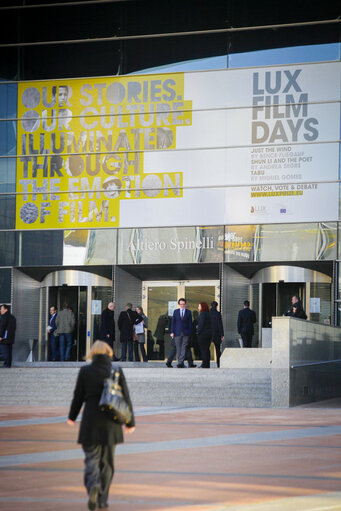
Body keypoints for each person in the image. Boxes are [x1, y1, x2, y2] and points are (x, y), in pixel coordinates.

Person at [67, 340, 135, 510]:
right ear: (108, 352)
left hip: (90, 422)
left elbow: (78, 397)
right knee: (107, 463)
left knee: (91, 459)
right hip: (111, 423)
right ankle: (103, 498)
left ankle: (93, 485)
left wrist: (72, 417)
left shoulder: (85, 371)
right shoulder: (116, 370)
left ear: (92, 353)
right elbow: (125, 397)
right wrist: (130, 422)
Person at [170, 298, 192, 368]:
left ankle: (180, 362)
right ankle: (181, 363)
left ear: (185, 304)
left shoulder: (188, 312)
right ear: (179, 304)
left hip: (186, 333)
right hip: (177, 332)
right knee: (179, 348)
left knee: (184, 347)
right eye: (181, 304)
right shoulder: (175, 312)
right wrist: (172, 331)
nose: (182, 305)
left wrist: (190, 332)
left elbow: (190, 323)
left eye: (183, 304)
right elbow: (173, 322)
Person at [210, 301, 224, 368]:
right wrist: (222, 334)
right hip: (217, 334)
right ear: (216, 306)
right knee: (218, 350)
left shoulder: (208, 313)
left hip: (209, 333)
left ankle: (206, 363)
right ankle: (219, 364)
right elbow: (220, 325)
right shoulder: (218, 314)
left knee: (206, 349)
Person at [197, 302, 212, 368]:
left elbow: (201, 324)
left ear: (202, 307)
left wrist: (197, 331)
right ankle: (207, 364)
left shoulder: (202, 314)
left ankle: (204, 364)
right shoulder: (208, 314)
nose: (198, 307)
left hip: (203, 335)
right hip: (208, 334)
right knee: (206, 349)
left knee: (203, 350)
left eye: (199, 306)